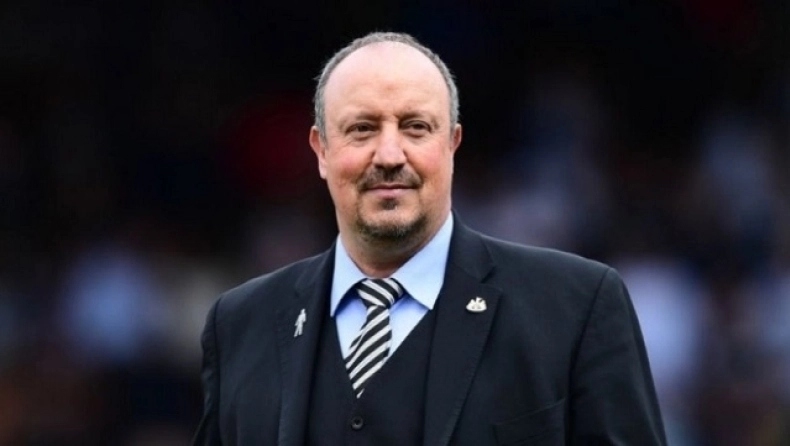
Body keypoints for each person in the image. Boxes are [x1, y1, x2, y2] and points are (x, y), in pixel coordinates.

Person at [193, 32, 667, 446]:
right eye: (362, 129)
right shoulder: (239, 326)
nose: (389, 155)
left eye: (416, 127)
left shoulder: (574, 307)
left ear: (452, 144)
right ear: (321, 150)